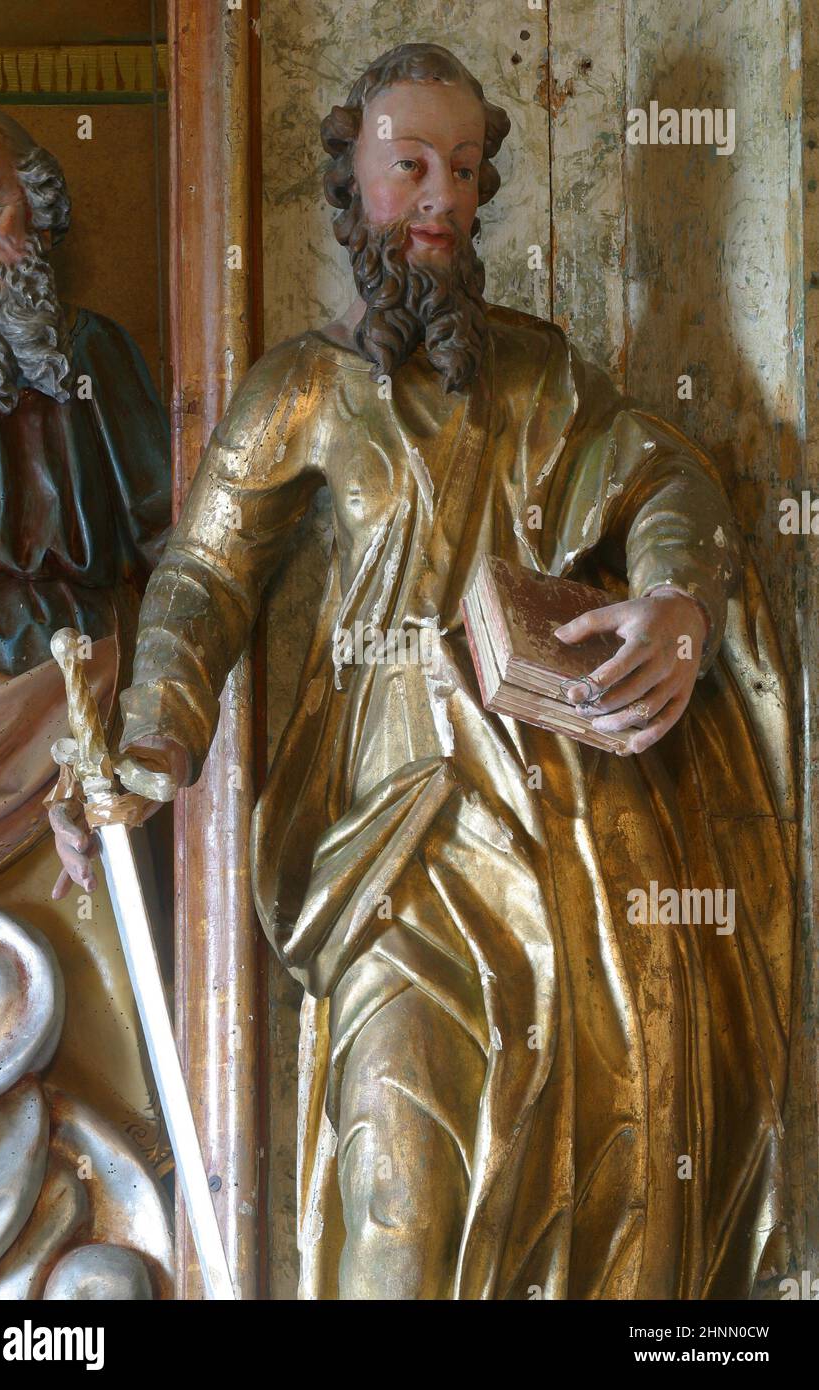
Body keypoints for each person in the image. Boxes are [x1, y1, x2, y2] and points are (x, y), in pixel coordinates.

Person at [54, 44, 796, 1301]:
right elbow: (203, 578)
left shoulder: (541, 376)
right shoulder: (302, 388)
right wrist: (152, 742)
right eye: (410, 169)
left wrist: (674, 599)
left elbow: (662, 477)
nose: (442, 197)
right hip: (393, 844)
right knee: (397, 1187)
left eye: (462, 170)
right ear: (352, 185)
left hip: (571, 836)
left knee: (603, 1187)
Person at [0, 107, 172, 1178]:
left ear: (33, 210)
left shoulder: (97, 357)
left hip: (82, 713)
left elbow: (173, 538)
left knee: (100, 1024)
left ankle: (112, 1187)